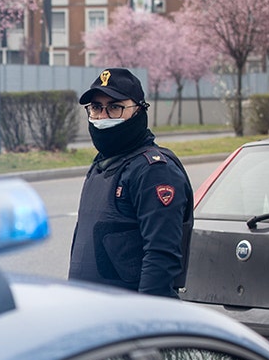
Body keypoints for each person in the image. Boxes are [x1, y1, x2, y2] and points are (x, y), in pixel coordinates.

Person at [68, 67, 193, 298]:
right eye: (96, 108)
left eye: (115, 108)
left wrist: (142, 321)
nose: (102, 117)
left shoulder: (154, 171)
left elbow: (160, 258)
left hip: (128, 320)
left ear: (139, 111)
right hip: (89, 314)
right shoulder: (102, 165)